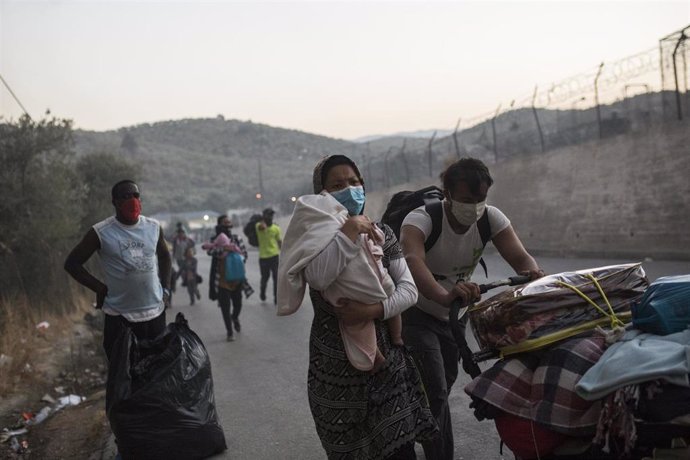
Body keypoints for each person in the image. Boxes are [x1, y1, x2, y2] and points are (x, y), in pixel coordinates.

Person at [277, 155, 436, 459]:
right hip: (335, 372)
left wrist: (372, 311)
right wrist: (349, 232)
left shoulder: (382, 234)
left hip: (388, 364)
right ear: (321, 194)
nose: (350, 189)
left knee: (401, 451)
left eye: (354, 181)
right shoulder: (314, 239)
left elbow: (409, 291)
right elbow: (321, 276)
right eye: (337, 185)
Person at [399, 157, 544, 460]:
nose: (474, 207)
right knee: (436, 390)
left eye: (481, 200)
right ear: (447, 194)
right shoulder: (420, 219)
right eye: (467, 200)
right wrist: (442, 295)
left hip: (454, 317)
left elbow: (522, 259)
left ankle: (414, 424)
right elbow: (413, 262)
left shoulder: (491, 218)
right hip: (416, 313)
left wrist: (534, 279)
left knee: (440, 385)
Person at [63, 179, 171, 364]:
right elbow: (72, 264)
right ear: (115, 202)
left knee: (157, 374)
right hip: (120, 318)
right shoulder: (101, 232)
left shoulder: (153, 227)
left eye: (136, 195)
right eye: (126, 196)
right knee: (123, 375)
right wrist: (99, 288)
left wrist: (167, 290)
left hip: (155, 314)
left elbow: (165, 256)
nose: (132, 200)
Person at [205, 215, 252, 342]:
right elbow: (210, 252)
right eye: (224, 223)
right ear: (219, 224)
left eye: (228, 223)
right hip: (221, 280)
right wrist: (224, 249)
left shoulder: (237, 238)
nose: (227, 225)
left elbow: (244, 255)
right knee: (225, 307)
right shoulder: (214, 240)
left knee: (238, 304)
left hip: (236, 278)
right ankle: (229, 332)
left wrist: (235, 257)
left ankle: (235, 317)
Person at [256, 208, 282, 304]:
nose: (270, 216)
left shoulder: (276, 228)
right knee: (265, 277)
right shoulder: (258, 226)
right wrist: (264, 219)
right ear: (264, 215)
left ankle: (276, 298)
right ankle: (262, 293)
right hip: (263, 257)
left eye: (271, 215)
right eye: (268, 215)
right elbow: (262, 227)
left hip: (274, 256)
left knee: (276, 278)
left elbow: (279, 241)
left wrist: (283, 253)